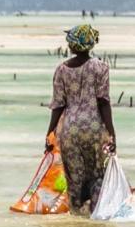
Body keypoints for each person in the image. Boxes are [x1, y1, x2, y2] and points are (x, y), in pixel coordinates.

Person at [44, 23, 116, 212]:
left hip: (68, 131)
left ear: (71, 45)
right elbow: (103, 101)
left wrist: (50, 132)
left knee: (74, 178)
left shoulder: (61, 70)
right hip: (93, 128)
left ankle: (77, 221)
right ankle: (96, 219)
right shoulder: (101, 67)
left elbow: (58, 104)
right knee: (97, 175)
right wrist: (111, 132)